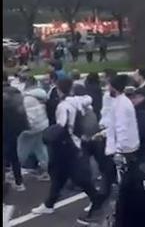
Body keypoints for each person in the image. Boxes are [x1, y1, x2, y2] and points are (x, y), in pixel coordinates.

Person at [32, 78, 108, 224]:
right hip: (76, 142)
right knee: (59, 175)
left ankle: (96, 200)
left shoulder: (64, 106)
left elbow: (62, 126)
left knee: (76, 177)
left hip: (67, 145)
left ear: (59, 90)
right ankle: (49, 204)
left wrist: (50, 135)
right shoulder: (78, 101)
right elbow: (88, 99)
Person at [18, 76, 50, 180]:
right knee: (40, 149)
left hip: (31, 128)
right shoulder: (41, 94)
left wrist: (25, 128)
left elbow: (30, 116)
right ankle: (47, 171)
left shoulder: (28, 99)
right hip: (42, 125)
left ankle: (15, 172)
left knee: (20, 150)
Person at [3, 82, 28, 192]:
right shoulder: (15, 102)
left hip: (5, 134)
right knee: (14, 158)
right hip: (13, 134)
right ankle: (19, 182)